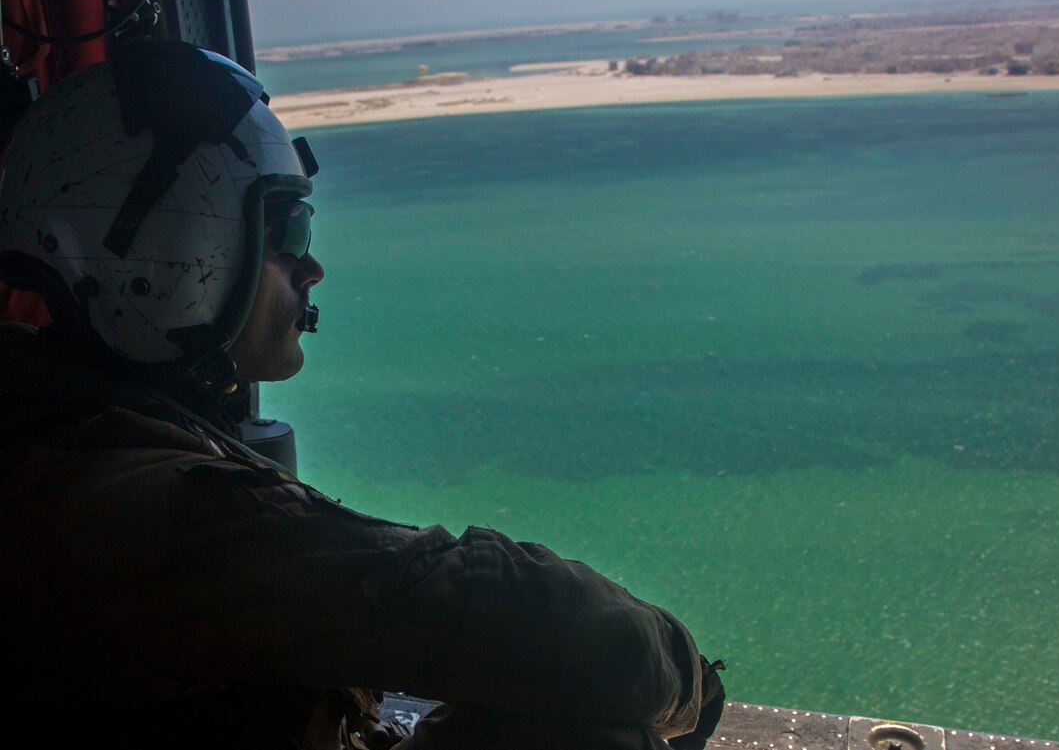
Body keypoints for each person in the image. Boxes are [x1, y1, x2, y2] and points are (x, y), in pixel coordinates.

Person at [0, 39, 724, 750]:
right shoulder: (133, 511)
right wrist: (689, 683)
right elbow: (479, 605)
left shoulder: (65, 434)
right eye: (284, 228)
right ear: (162, 249)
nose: (310, 267)